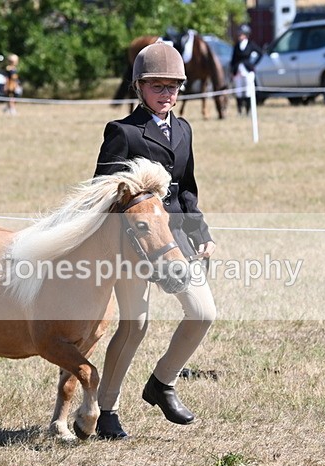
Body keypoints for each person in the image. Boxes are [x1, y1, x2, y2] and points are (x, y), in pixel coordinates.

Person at [93, 42, 217, 440]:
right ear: (139, 88)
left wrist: (203, 234)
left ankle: (161, 383)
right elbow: (103, 190)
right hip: (134, 242)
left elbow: (188, 191)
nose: (167, 95)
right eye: (157, 86)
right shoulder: (122, 132)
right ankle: (106, 409)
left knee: (202, 313)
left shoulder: (184, 129)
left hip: (175, 239)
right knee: (136, 326)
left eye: (174, 87)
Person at [230, 24, 263, 116]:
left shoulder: (251, 44)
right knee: (239, 91)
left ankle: (248, 110)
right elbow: (233, 59)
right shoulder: (236, 45)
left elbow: (260, 53)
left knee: (248, 91)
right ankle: (239, 110)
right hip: (238, 71)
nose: (240, 35)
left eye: (242, 34)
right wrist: (232, 71)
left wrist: (253, 64)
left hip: (247, 70)